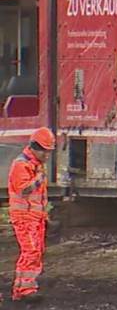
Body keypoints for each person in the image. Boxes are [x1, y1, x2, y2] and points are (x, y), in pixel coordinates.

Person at [8, 127, 55, 303]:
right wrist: (39, 178)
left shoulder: (35, 165)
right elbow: (24, 189)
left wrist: (45, 215)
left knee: (35, 251)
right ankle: (25, 289)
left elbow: (39, 197)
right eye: (46, 151)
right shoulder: (22, 165)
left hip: (34, 217)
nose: (47, 156)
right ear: (36, 148)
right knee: (30, 251)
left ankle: (22, 289)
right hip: (24, 217)